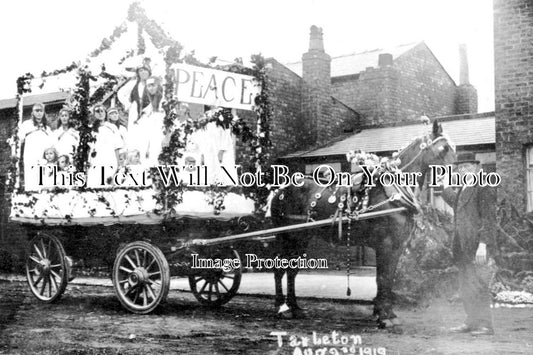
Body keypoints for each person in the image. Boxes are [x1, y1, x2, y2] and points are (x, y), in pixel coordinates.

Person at [442, 152, 496, 336]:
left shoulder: (483, 187)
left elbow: (489, 219)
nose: (464, 170)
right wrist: (445, 186)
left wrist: (483, 244)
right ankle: (471, 321)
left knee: (479, 285)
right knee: (466, 286)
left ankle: (485, 325)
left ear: (476, 167)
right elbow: (456, 203)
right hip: (462, 246)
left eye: (468, 167)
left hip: (476, 247)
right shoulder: (464, 187)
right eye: (461, 167)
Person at [18, 103, 53, 191]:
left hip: (43, 158)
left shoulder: (47, 129)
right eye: (36, 111)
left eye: (41, 111)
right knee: (32, 182)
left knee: (43, 182)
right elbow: (19, 139)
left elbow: (52, 145)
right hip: (31, 158)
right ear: (32, 112)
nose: (39, 113)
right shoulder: (26, 125)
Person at [86, 106, 124, 188]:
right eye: (97, 111)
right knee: (95, 183)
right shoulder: (91, 129)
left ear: (105, 113)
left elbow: (117, 146)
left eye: (102, 111)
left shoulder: (112, 127)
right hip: (96, 160)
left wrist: (118, 163)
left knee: (108, 183)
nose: (100, 113)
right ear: (94, 114)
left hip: (109, 158)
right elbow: (89, 147)